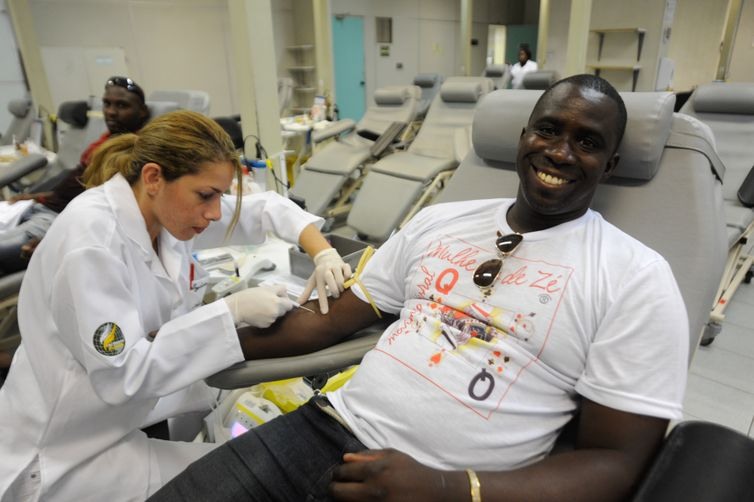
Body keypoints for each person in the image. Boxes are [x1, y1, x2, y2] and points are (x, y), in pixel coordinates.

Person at [151, 75, 689, 501]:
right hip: (324, 429)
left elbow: (617, 462)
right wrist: (186, 340)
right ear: (524, 135)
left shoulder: (635, 277)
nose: (561, 152)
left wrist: (448, 489)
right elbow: (329, 319)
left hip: (446, 486)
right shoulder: (442, 221)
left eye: (587, 142)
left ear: (611, 165)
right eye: (548, 130)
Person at [0, 110, 351, 501]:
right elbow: (124, 376)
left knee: (238, 465)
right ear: (153, 177)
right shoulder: (92, 242)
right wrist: (229, 313)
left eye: (220, 195)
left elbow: (265, 208)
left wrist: (323, 254)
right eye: (206, 195)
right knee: (249, 483)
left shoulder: (165, 214)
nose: (216, 212)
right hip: (61, 452)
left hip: (114, 426)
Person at [0, 76, 151, 275]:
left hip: (54, 222)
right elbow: (74, 184)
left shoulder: (129, 153)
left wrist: (60, 238)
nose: (111, 112)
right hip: (37, 209)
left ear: (142, 112)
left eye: (122, 105)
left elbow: (108, 209)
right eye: (107, 104)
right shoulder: (105, 141)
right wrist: (36, 196)